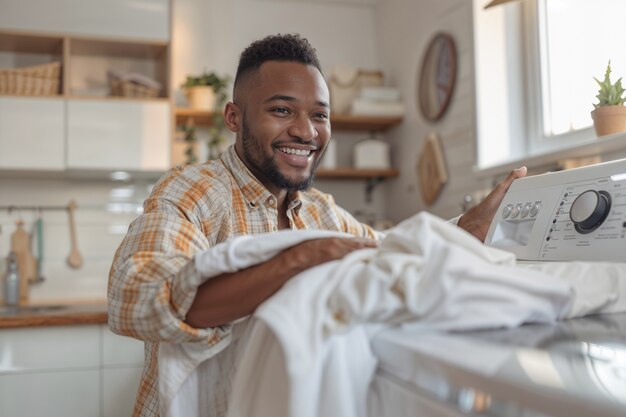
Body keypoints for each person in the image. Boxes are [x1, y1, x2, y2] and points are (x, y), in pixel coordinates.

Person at [108, 33, 527, 417]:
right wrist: (299, 259)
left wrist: (465, 230)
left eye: (319, 115)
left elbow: (392, 251)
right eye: (281, 110)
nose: (306, 131)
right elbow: (135, 296)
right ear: (234, 117)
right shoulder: (194, 191)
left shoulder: (320, 212)